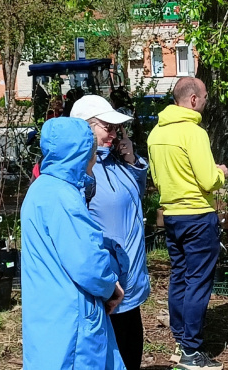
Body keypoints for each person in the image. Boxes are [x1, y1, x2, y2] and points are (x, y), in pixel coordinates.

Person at [21, 117, 126, 370]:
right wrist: (112, 288)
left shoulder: (41, 189)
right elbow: (87, 261)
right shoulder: (64, 197)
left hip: (48, 313)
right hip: (72, 319)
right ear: (83, 153)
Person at [147, 77, 228, 370]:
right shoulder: (194, 133)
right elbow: (208, 180)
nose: (206, 101)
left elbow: (156, 180)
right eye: (205, 96)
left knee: (179, 275)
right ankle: (192, 352)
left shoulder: (155, 133)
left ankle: (181, 338)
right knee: (198, 280)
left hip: (171, 215)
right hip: (197, 214)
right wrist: (221, 172)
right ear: (193, 99)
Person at [71, 95, 151, 370]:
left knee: (131, 354)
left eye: (117, 129)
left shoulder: (114, 160)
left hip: (132, 283)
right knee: (112, 358)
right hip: (109, 288)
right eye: (108, 127)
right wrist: (104, 280)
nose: (115, 134)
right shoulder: (83, 173)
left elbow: (133, 196)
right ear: (86, 128)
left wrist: (130, 159)